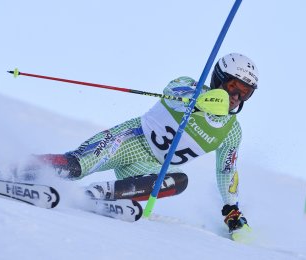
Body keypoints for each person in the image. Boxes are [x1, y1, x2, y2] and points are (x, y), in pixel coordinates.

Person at [19, 53, 259, 233]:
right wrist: (198, 101)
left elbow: (226, 169)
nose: (236, 98)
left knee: (179, 180)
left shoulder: (231, 132)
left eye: (245, 93)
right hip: (131, 140)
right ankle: (20, 167)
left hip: (149, 168)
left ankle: (99, 194)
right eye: (232, 87)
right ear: (219, 79)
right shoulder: (190, 87)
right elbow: (173, 90)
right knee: (76, 166)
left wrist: (231, 209)